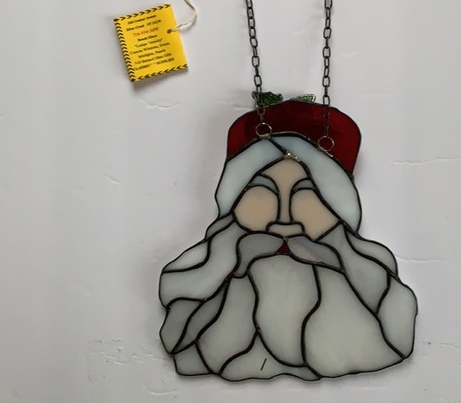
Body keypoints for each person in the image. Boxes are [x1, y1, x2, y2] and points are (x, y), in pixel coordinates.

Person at [159, 100, 417, 381]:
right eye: (264, 192)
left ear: (337, 211)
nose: (284, 222)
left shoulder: (378, 292)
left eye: (305, 194)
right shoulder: (198, 289)